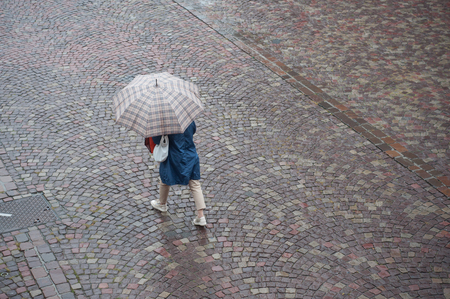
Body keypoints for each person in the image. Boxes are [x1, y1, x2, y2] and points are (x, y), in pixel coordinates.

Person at [150, 121, 207, 226]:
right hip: (190, 154)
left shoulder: (165, 123)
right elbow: (193, 130)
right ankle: (201, 215)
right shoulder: (189, 120)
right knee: (195, 183)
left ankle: (162, 203)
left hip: (174, 155)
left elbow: (157, 140)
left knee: (165, 176)